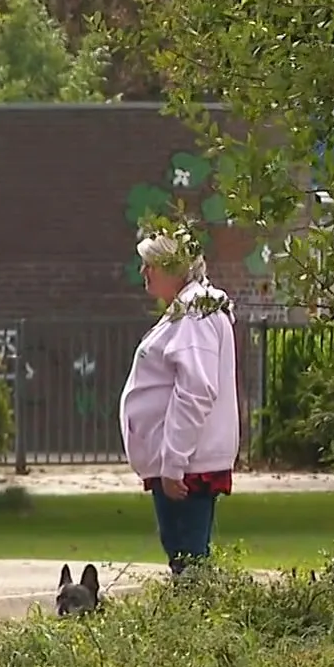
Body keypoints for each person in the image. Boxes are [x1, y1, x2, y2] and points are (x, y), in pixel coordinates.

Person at [119, 226, 240, 577]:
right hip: (181, 461)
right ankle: (192, 607)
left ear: (174, 268)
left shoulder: (194, 314)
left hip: (187, 465)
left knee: (188, 558)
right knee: (183, 556)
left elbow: (195, 390)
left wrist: (173, 464)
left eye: (151, 264)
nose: (144, 271)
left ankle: (195, 610)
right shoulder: (188, 311)